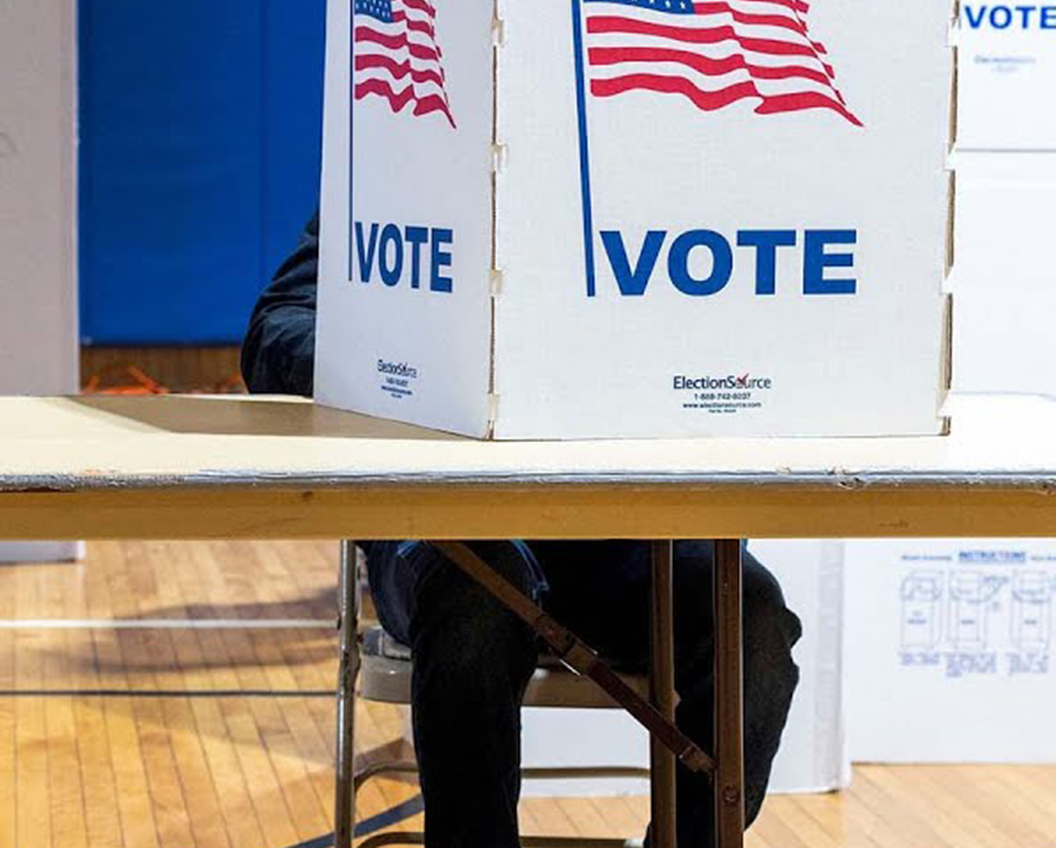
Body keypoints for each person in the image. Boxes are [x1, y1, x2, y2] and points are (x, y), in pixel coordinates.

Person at [241, 215, 803, 848]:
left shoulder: (680, 163)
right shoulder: (401, 155)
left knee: (752, 627)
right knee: (478, 598)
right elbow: (276, 329)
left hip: (627, 537)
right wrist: (408, 369)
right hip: (448, 526)